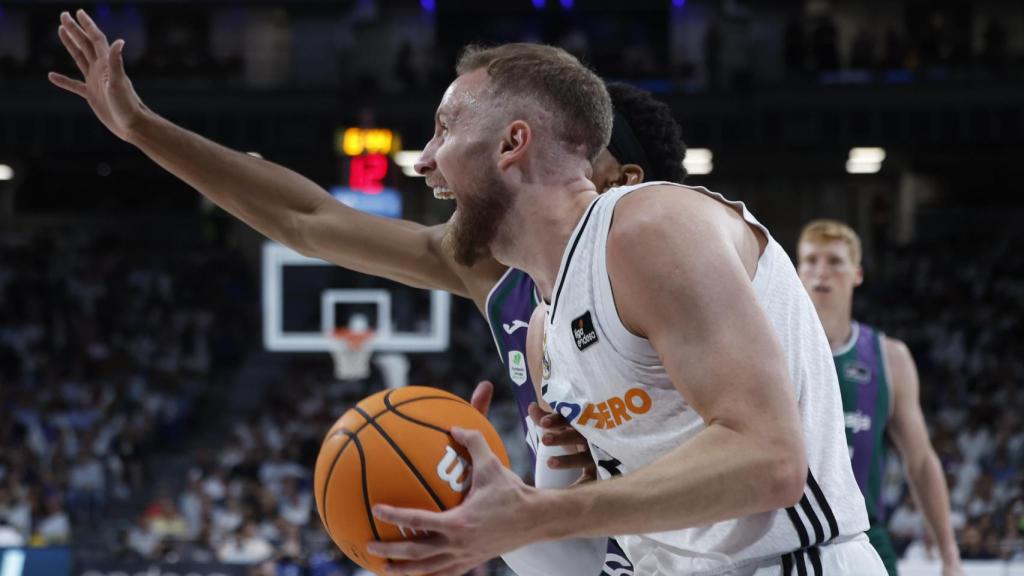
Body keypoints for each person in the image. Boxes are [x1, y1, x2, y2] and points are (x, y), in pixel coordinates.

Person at [48, 10, 685, 575]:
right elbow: (308, 219)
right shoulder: (499, 272)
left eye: (582, 150)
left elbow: (744, 454)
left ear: (620, 177)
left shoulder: (678, 262)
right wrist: (142, 128)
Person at [355, 43, 883, 575]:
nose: (423, 160)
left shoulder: (649, 227)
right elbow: (587, 552)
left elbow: (769, 460)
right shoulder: (544, 329)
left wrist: (538, 514)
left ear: (512, 143)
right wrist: (478, 516)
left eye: (445, 130)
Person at [796, 220, 963, 576]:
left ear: (857, 274)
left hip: (864, 537)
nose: (821, 271)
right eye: (810, 260)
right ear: (796, 271)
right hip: (791, 540)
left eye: (834, 261)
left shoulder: (889, 357)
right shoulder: (774, 349)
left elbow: (920, 461)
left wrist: (950, 555)